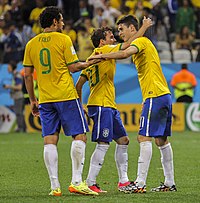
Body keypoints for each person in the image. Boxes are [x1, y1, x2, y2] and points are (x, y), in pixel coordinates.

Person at [89, 15, 177, 193]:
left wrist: (102, 55)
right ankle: (169, 183)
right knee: (161, 140)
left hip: (154, 95)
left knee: (143, 138)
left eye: (121, 29)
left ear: (131, 28)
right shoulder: (141, 41)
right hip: (163, 94)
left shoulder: (141, 41)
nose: (119, 33)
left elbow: (123, 53)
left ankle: (139, 182)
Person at [23, 6, 101, 196]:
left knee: (50, 140)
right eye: (61, 20)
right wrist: (89, 62)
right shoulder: (64, 39)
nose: (64, 23)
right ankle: (76, 181)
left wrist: (33, 100)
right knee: (80, 136)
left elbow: (27, 75)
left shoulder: (31, 44)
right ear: (55, 22)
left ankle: (54, 187)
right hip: (66, 96)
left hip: (45, 99)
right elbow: (74, 67)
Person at [76, 17, 152, 193]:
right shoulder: (104, 50)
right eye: (111, 36)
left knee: (123, 141)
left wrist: (81, 105)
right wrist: (144, 27)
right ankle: (90, 182)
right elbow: (126, 47)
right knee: (103, 143)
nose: (115, 38)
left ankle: (123, 181)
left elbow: (79, 85)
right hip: (102, 105)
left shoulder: (91, 58)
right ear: (102, 42)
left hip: (106, 105)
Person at [3, 60, 26, 133]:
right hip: (17, 97)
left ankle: (21, 128)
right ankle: (22, 128)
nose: (8, 69)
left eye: (9, 67)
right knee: (19, 113)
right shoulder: (14, 75)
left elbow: (19, 87)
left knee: (19, 113)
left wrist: (9, 86)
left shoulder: (17, 75)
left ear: (12, 67)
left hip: (19, 97)